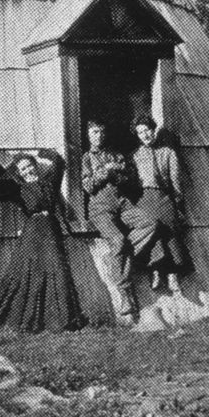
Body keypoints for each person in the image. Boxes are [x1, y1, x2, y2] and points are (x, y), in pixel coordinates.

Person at [0, 150, 83, 333]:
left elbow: (58, 161)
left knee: (56, 268)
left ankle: (63, 320)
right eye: (23, 169)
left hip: (50, 231)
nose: (27, 171)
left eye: (29, 166)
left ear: (35, 165)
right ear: (18, 173)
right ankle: (28, 321)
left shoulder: (49, 181)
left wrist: (42, 152)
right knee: (29, 272)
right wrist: (10, 165)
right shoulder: (16, 188)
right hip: (32, 232)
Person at [126, 113, 189, 293]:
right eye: (140, 132)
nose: (145, 135)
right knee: (153, 229)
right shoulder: (134, 156)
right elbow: (131, 184)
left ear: (153, 130)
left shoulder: (168, 153)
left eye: (147, 130)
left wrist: (177, 203)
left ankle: (172, 273)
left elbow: (175, 182)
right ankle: (155, 270)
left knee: (170, 227)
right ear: (137, 136)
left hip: (164, 196)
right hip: (144, 198)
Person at [82, 121, 138, 317]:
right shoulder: (86, 158)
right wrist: (107, 170)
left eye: (102, 131)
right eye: (95, 132)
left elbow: (130, 179)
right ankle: (124, 293)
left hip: (122, 202)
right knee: (119, 240)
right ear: (89, 135)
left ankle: (116, 256)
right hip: (100, 208)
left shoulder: (116, 154)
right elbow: (88, 187)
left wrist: (118, 173)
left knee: (151, 223)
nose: (99, 135)